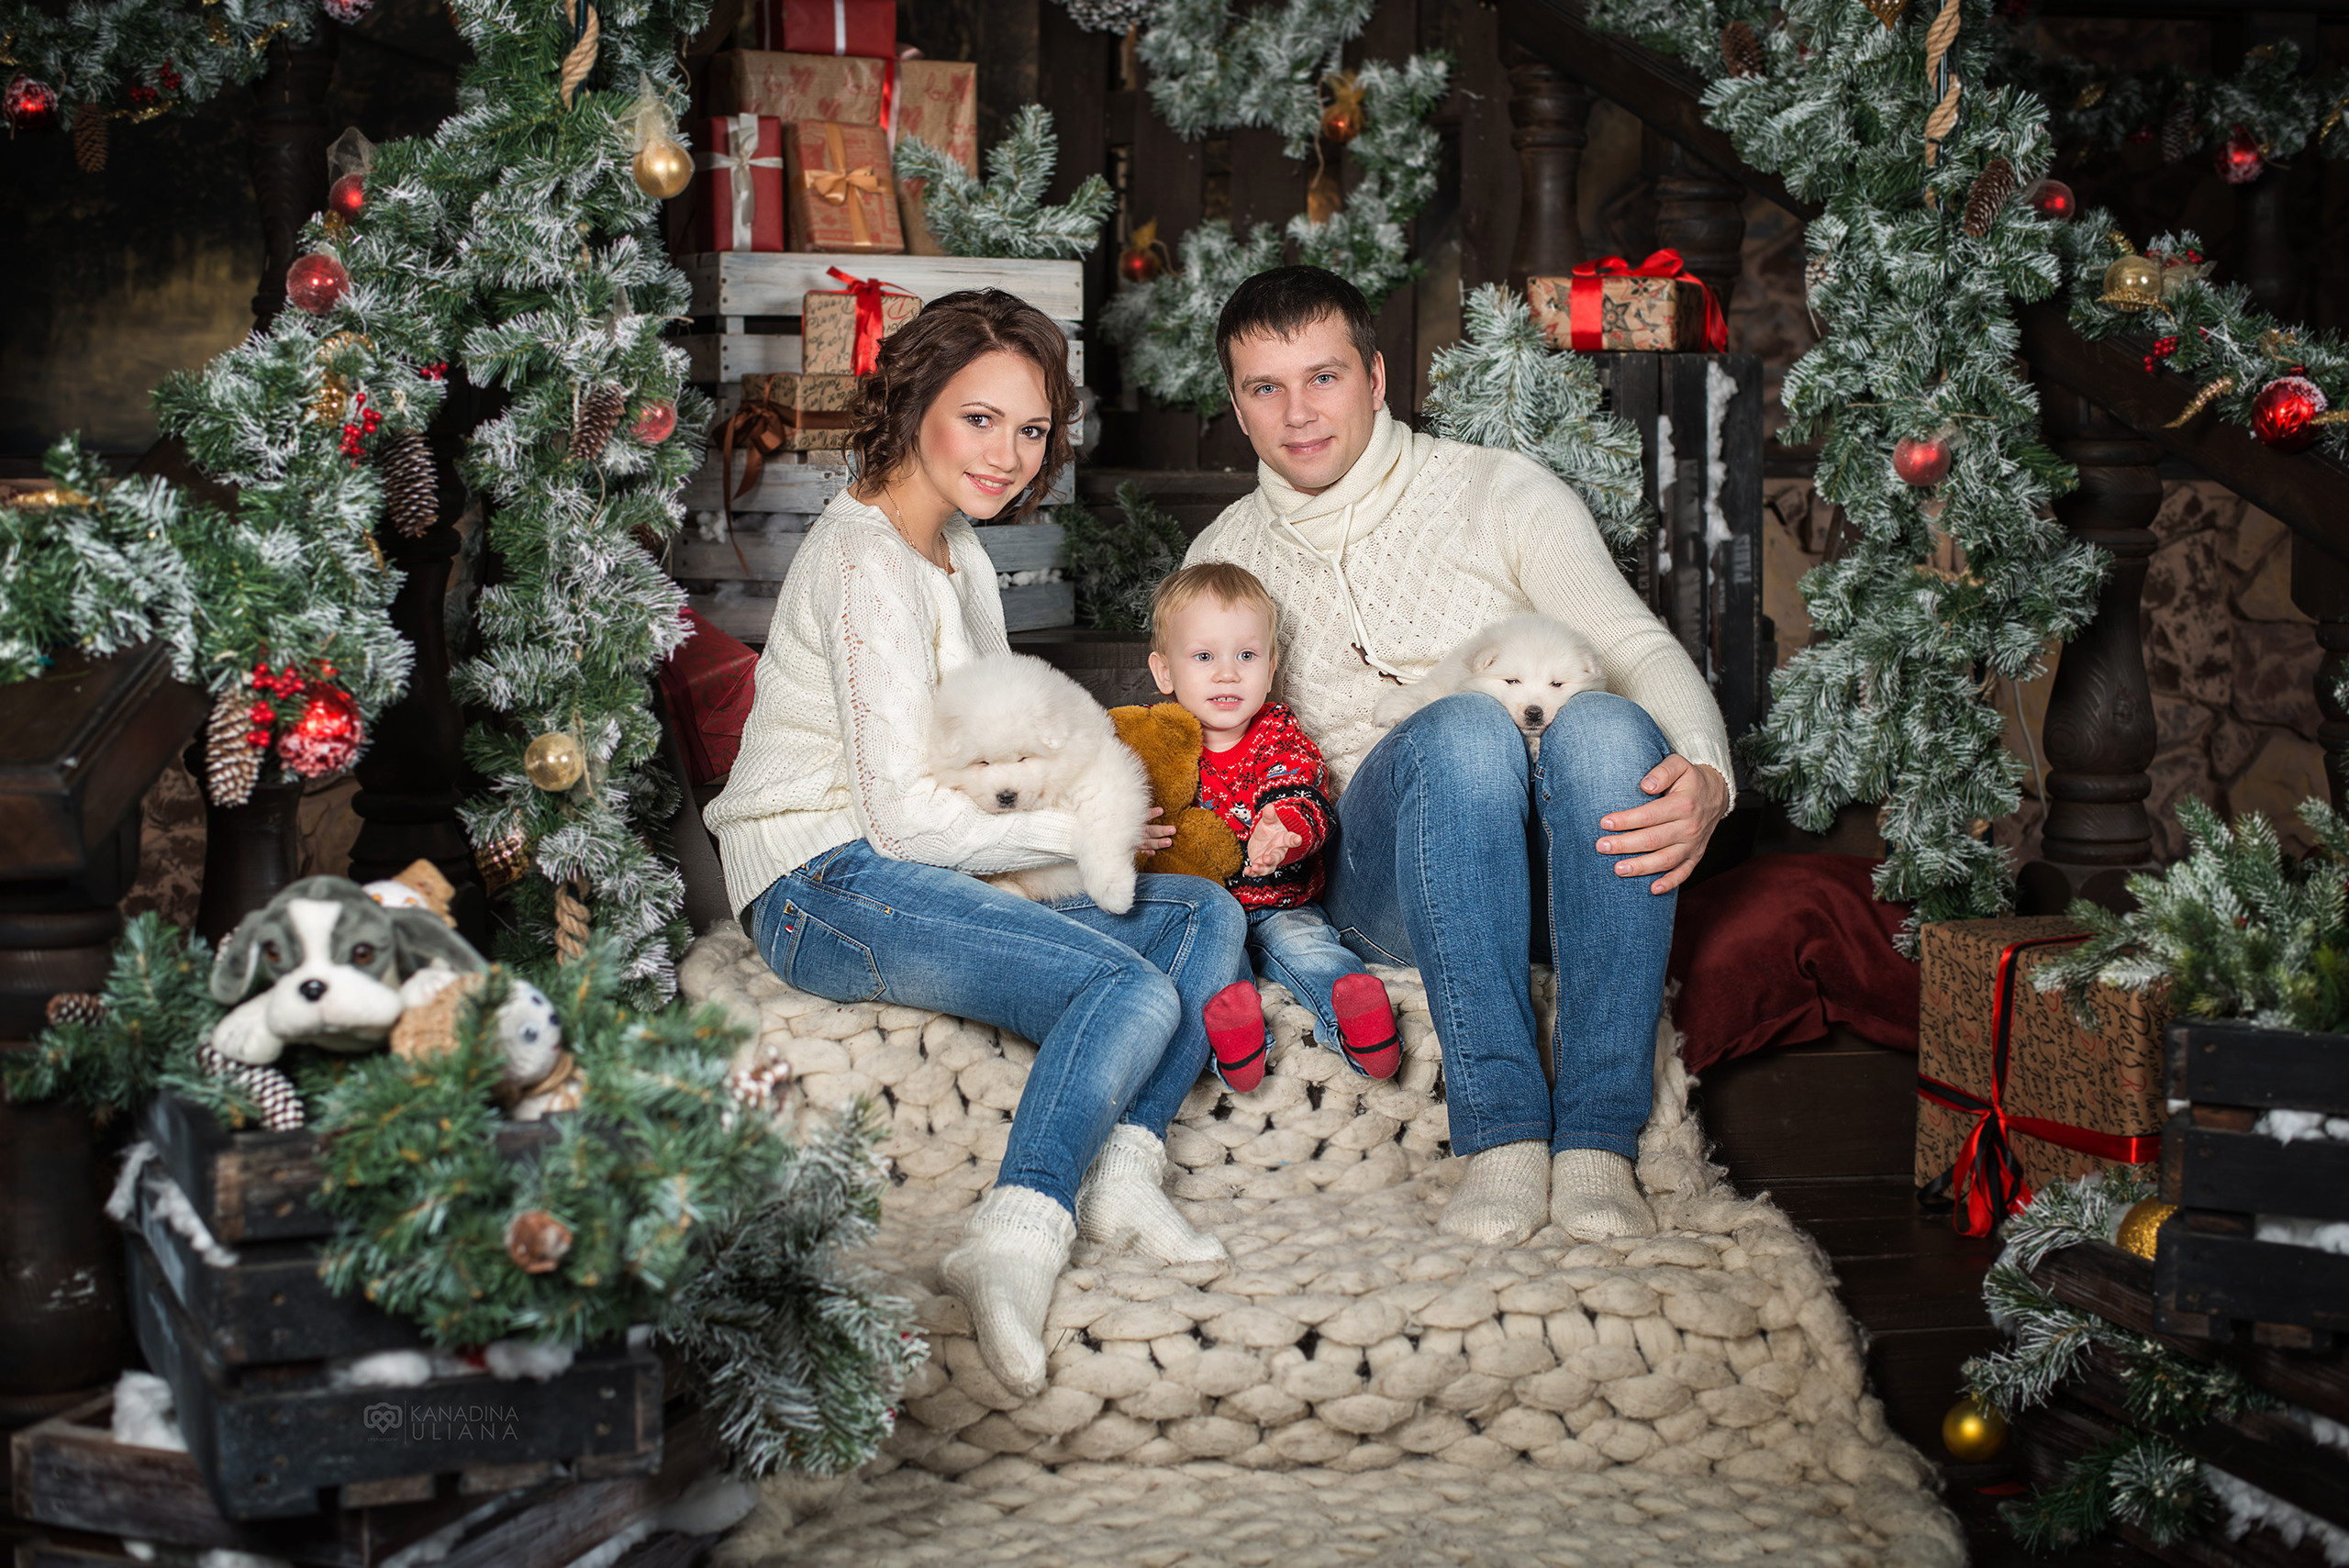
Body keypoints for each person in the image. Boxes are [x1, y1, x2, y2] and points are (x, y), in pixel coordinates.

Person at [704, 290, 1245, 1398]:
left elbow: (984, 758)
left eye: (1032, 428)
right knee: (1126, 987)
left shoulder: (953, 549)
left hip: (907, 862)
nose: (1009, 454)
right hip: (819, 879)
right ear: (913, 406)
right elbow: (898, 817)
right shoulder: (864, 564)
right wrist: (1074, 831)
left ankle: (1126, 1167)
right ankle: (1015, 1229)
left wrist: (1086, 825)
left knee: (1205, 913)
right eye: (980, 418)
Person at [1184, 266, 1733, 1248]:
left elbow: (1635, 645)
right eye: (1266, 387)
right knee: (1464, 726)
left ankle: (1598, 1139)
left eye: (1323, 377)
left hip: (1566, 863)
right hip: (1384, 883)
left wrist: (1708, 773)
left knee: (1607, 724)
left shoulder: (1500, 492)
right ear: (1237, 404)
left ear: (1375, 378)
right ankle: (1503, 1132)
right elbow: (1204, 753)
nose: (1298, 413)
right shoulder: (1223, 559)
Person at [1141, 562, 1403, 1090]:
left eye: (1246, 655)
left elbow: (1299, 786)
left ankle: (1359, 1021)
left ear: (1270, 666)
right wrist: (1131, 835)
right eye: (1204, 657)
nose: (1227, 673)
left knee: (1315, 951)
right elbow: (1117, 804)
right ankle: (1234, 1044)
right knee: (1213, 979)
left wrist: (1285, 829)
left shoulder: (1276, 732)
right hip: (1205, 916)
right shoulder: (1157, 743)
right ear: (1165, 672)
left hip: (1284, 902)